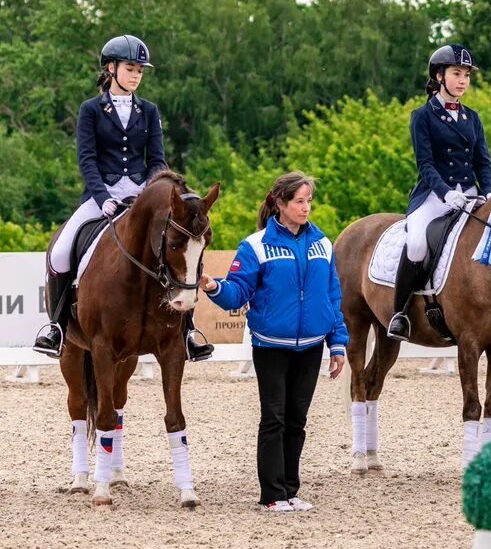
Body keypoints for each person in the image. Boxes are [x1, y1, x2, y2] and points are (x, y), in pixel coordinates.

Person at [33, 35, 213, 362]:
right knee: (60, 253)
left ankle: (187, 330)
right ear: (112, 68)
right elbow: (87, 159)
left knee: (177, 249)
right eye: (130, 69)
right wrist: (102, 197)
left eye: (140, 71)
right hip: (100, 196)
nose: (136, 76)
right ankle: (56, 328)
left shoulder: (149, 111)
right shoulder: (91, 110)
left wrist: (150, 193)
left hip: (142, 197)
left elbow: (157, 160)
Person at [201, 172, 348, 513]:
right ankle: (272, 495)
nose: (306, 207)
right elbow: (239, 291)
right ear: (280, 204)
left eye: (308, 200)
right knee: (274, 419)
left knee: (298, 420)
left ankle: (291, 490)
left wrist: (337, 343)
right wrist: (214, 288)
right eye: (299, 201)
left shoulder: (323, 244)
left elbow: (332, 296)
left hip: (312, 345)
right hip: (271, 346)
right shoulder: (254, 246)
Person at [387, 44, 491, 341]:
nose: (463, 80)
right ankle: (400, 314)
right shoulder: (422, 115)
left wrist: (489, 193)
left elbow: (483, 162)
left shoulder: (472, 117)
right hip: (435, 195)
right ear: (439, 75)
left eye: (467, 75)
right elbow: (425, 164)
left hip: (471, 195)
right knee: (417, 243)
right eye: (457, 74)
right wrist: (446, 193)